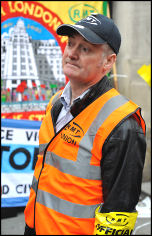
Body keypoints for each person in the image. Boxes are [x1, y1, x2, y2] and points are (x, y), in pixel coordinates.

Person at [24, 13, 146, 235]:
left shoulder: (123, 125)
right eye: (71, 44)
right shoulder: (56, 103)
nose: (71, 53)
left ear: (108, 62)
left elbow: (117, 215)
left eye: (85, 49)